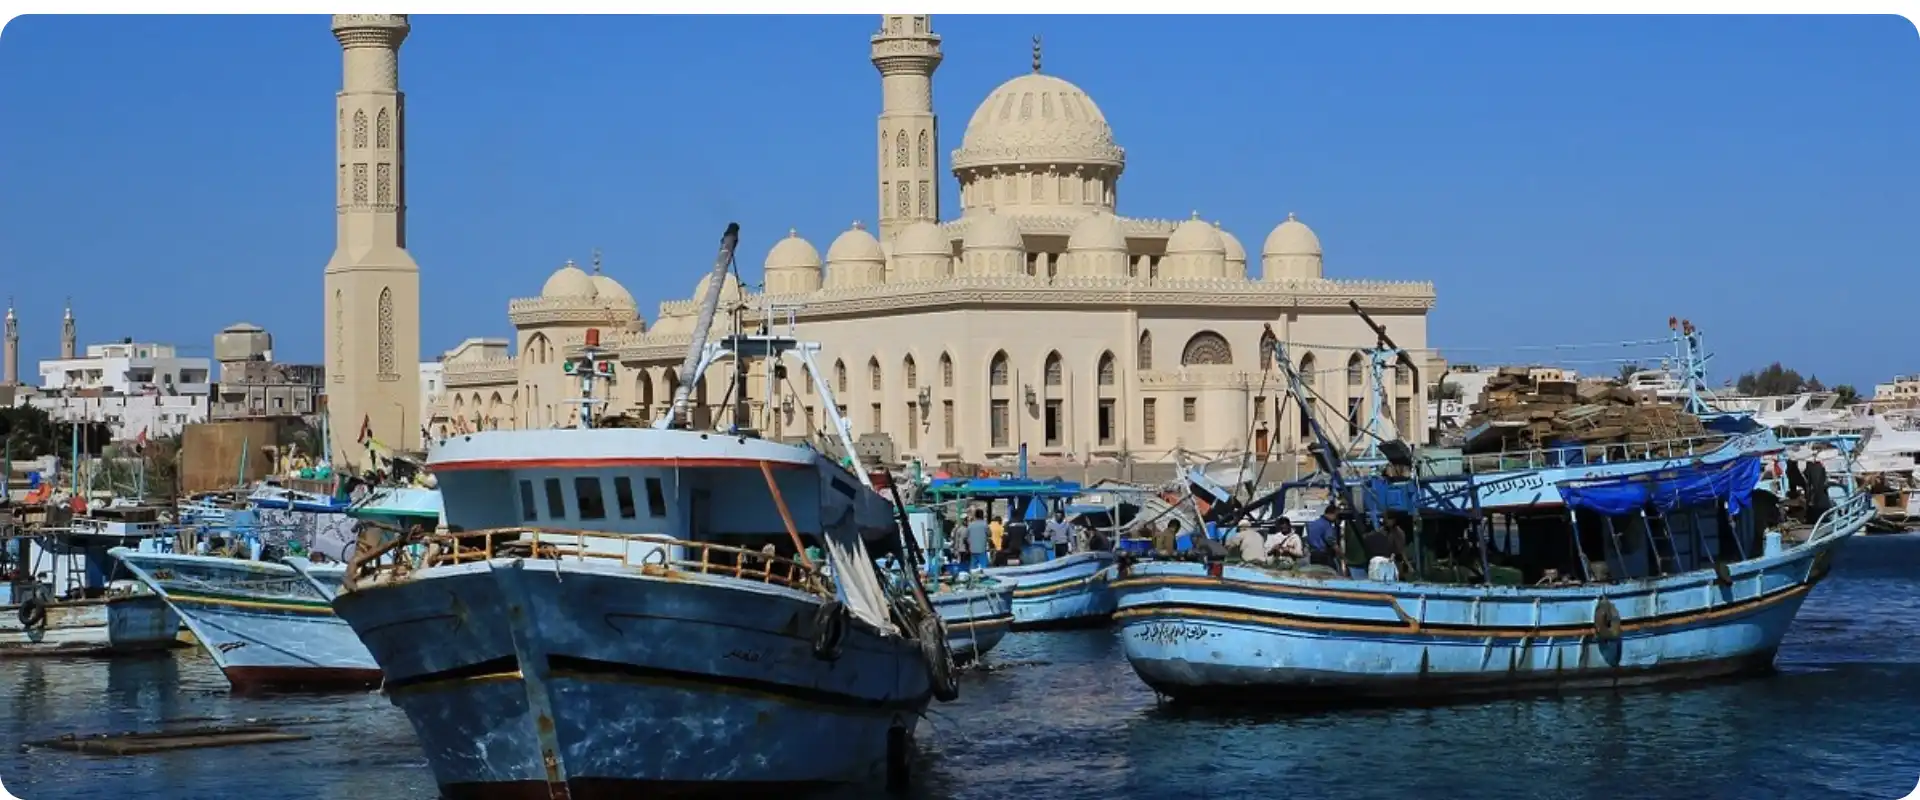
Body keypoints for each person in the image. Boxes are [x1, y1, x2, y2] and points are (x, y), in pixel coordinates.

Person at [1305, 504, 1343, 570]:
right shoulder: (1326, 525)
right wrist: (1341, 555)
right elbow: (1330, 540)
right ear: (1331, 514)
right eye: (1336, 516)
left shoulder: (1313, 524)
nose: (1336, 518)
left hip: (1313, 555)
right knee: (1332, 574)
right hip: (1323, 556)